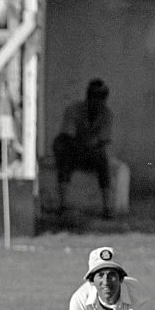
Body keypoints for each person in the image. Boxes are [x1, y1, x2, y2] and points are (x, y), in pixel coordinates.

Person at [53, 79, 114, 217]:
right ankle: (63, 204)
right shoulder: (74, 110)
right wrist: (85, 145)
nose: (98, 102)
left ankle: (107, 207)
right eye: (95, 98)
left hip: (90, 152)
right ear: (88, 97)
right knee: (64, 155)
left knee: (103, 160)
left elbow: (103, 140)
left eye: (102, 99)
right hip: (72, 149)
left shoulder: (107, 114)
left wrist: (91, 146)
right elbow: (68, 136)